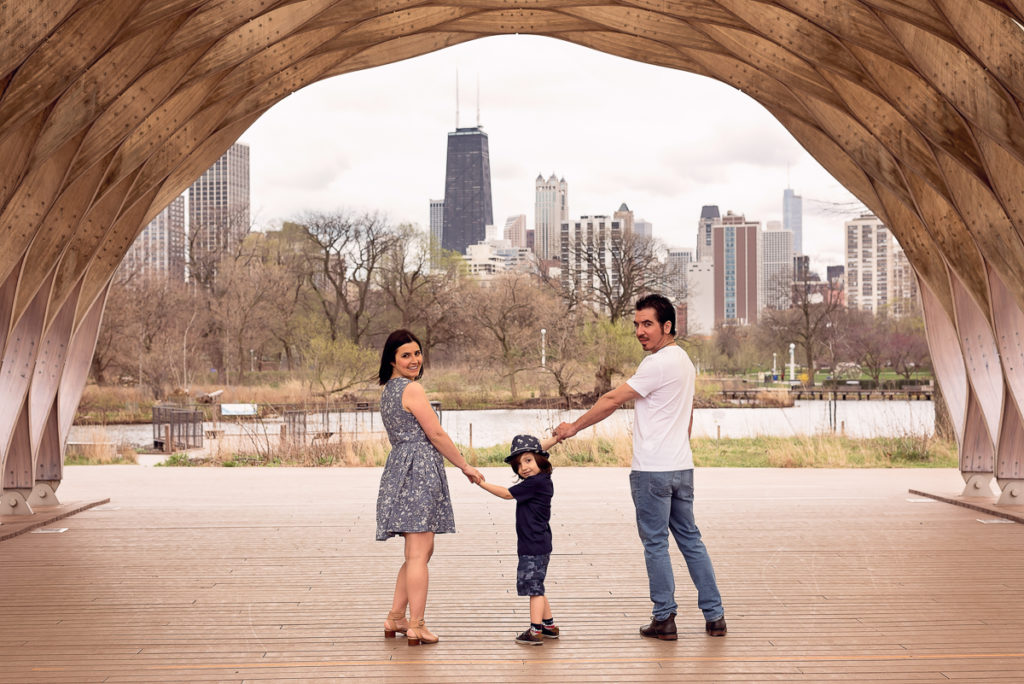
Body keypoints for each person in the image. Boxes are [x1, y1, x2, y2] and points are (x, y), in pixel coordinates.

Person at [554, 293, 726, 641]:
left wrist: (572, 427)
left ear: (667, 326)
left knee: (656, 543)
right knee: (691, 539)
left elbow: (612, 399)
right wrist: (679, 448)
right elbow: (687, 415)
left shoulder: (657, 364)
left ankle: (664, 618)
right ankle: (715, 616)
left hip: (653, 471)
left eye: (647, 324)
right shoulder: (685, 363)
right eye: (636, 324)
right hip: (681, 467)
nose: (639, 331)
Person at [376, 329, 485, 646]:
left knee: (416, 553)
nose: (414, 360)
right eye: (406, 355)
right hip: (419, 470)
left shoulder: (389, 390)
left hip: (400, 468)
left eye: (417, 353)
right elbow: (436, 434)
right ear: (393, 360)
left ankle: (396, 617)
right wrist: (464, 466)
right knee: (420, 554)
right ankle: (417, 625)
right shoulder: (411, 390)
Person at [476, 434, 561, 646]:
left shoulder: (535, 484)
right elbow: (537, 449)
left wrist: (480, 483)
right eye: (519, 464)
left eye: (528, 461)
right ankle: (549, 626)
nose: (523, 467)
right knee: (537, 585)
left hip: (534, 545)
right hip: (536, 543)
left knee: (534, 589)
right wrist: (554, 439)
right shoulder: (540, 480)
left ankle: (535, 631)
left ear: (540, 460)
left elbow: (506, 494)